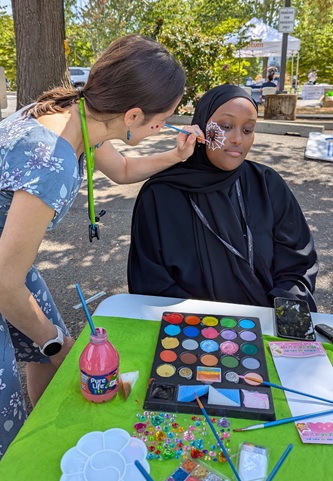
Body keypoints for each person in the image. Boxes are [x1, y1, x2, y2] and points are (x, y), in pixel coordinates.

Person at [0, 34, 204, 459]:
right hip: (5, 271)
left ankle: (48, 436)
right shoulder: (52, 158)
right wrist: (57, 342)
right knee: (20, 394)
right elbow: (4, 284)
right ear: (132, 114)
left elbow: (124, 168)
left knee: (46, 354)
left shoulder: (79, 113)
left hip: (9, 260)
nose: (161, 128)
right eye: (159, 121)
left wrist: (174, 156)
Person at [128, 84, 318, 314]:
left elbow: (298, 262)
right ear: (200, 128)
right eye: (226, 127)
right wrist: (203, 324)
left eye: (248, 130)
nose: (238, 139)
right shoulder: (160, 195)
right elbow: (151, 281)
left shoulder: (267, 184)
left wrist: (278, 313)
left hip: (266, 321)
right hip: (190, 329)